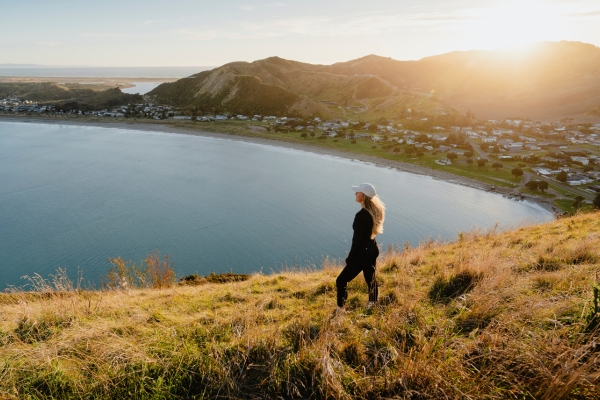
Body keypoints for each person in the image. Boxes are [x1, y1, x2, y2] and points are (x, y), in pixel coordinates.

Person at [336, 182, 385, 313]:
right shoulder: (374, 211)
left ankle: (340, 310)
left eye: (357, 192)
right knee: (371, 279)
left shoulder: (361, 216)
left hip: (362, 253)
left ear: (363, 196)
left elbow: (356, 242)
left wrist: (349, 260)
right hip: (372, 250)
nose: (355, 193)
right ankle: (373, 304)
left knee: (341, 280)